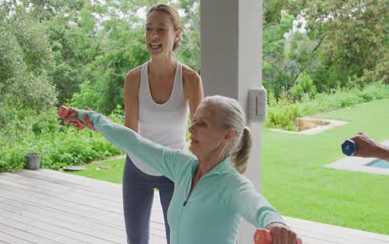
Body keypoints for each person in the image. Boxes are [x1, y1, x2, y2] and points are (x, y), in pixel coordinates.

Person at [60, 95, 301, 244]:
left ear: (227, 135)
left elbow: (259, 207)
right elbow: (135, 143)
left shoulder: (232, 186)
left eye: (202, 124)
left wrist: (276, 226)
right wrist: (91, 119)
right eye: (194, 120)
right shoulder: (183, 167)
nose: (191, 129)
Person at [121, 4, 203, 243]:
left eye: (161, 29)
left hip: (174, 172)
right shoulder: (134, 79)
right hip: (137, 169)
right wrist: (96, 123)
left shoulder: (190, 79)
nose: (153, 36)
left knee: (177, 239)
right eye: (149, 29)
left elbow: (201, 134)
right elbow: (129, 134)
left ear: (176, 34)